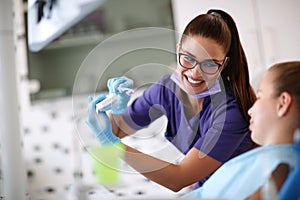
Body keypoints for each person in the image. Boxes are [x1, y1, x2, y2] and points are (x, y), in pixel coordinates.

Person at [86, 9, 256, 192]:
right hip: (207, 190)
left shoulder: (230, 113)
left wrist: (114, 145)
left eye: (209, 64)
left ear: (223, 65)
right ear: (178, 51)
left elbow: (179, 178)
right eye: (188, 59)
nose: (195, 73)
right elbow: (115, 131)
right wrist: (116, 109)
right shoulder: (166, 90)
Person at [182, 61, 300, 199]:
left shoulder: (278, 167)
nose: (250, 110)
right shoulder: (275, 159)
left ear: (283, 103)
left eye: (259, 97)